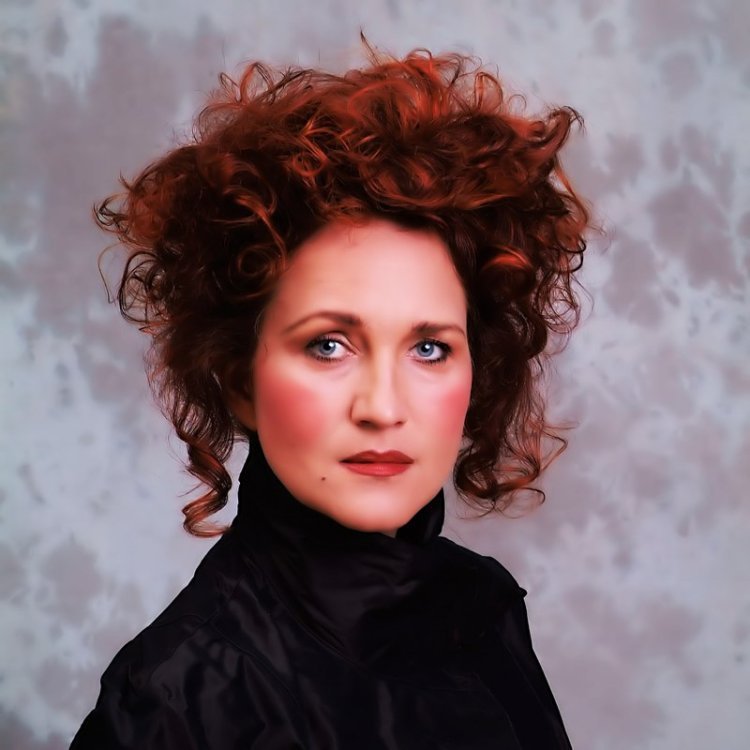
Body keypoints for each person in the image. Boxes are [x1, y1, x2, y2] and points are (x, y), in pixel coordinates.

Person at [70, 38, 589, 749]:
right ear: (239, 379)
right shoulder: (175, 702)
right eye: (329, 345)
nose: (382, 407)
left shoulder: (483, 612)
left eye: (429, 348)